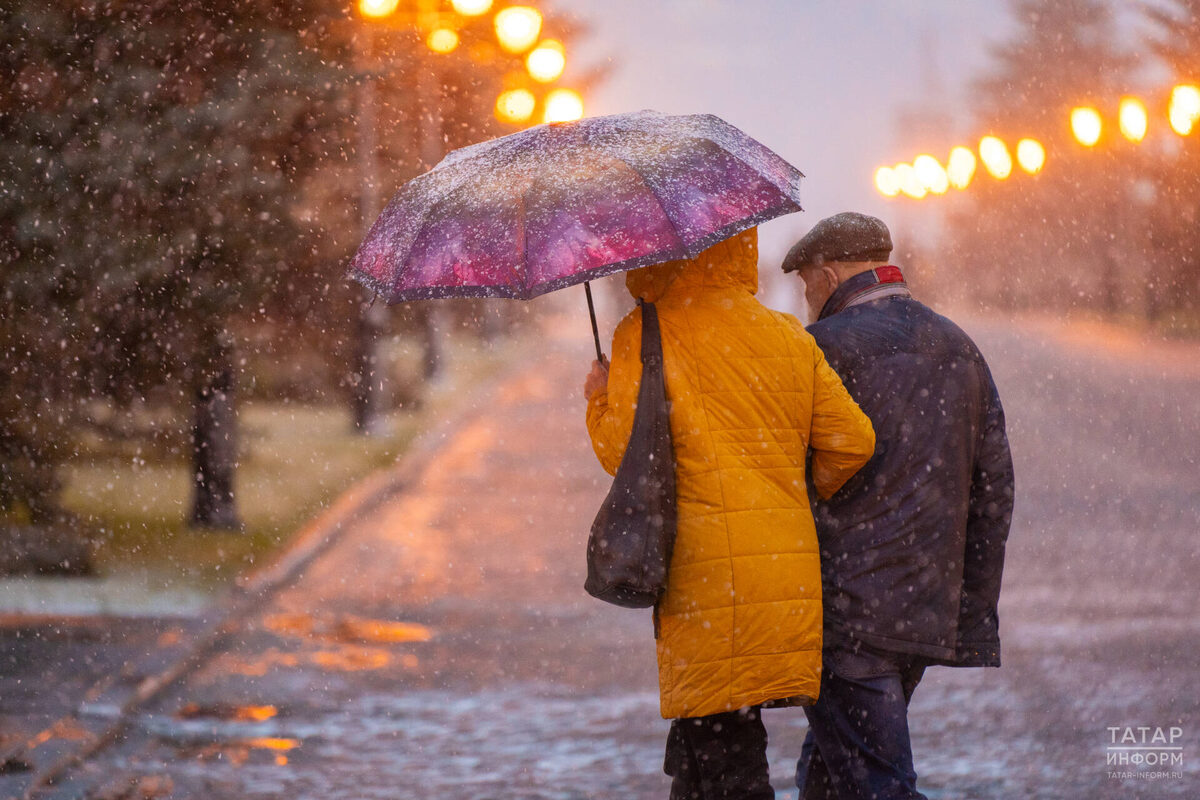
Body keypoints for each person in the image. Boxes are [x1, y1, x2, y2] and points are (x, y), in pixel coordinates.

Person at [583, 227, 876, 799]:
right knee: (714, 745)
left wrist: (599, 396)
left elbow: (624, 455)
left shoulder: (642, 334)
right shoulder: (784, 333)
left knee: (725, 753)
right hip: (784, 572)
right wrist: (790, 489)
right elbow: (852, 441)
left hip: (702, 576)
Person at [780, 212, 1015, 800]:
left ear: (828, 273)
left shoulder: (818, 351)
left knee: (875, 783)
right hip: (922, 606)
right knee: (831, 774)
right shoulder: (959, 344)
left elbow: (782, 476)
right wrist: (965, 600)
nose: (808, 299)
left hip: (847, 610)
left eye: (807, 284)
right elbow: (994, 489)